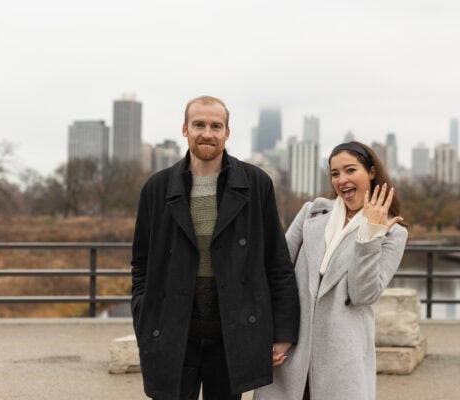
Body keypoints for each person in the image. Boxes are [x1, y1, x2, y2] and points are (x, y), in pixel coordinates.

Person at [131, 95, 300, 400]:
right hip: (172, 332)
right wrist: (144, 317)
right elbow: (141, 263)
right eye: (199, 124)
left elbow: (276, 261)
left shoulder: (256, 183)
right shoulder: (156, 189)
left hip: (231, 334)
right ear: (185, 129)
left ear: (227, 132)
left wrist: (283, 332)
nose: (207, 132)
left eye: (215, 125)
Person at [254, 141, 408, 400]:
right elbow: (277, 270)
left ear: (370, 172)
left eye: (350, 170)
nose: (342, 180)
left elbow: (362, 295)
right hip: (291, 352)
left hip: (341, 362)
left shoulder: (393, 233)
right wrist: (271, 334)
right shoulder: (312, 212)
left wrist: (370, 235)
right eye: (335, 173)